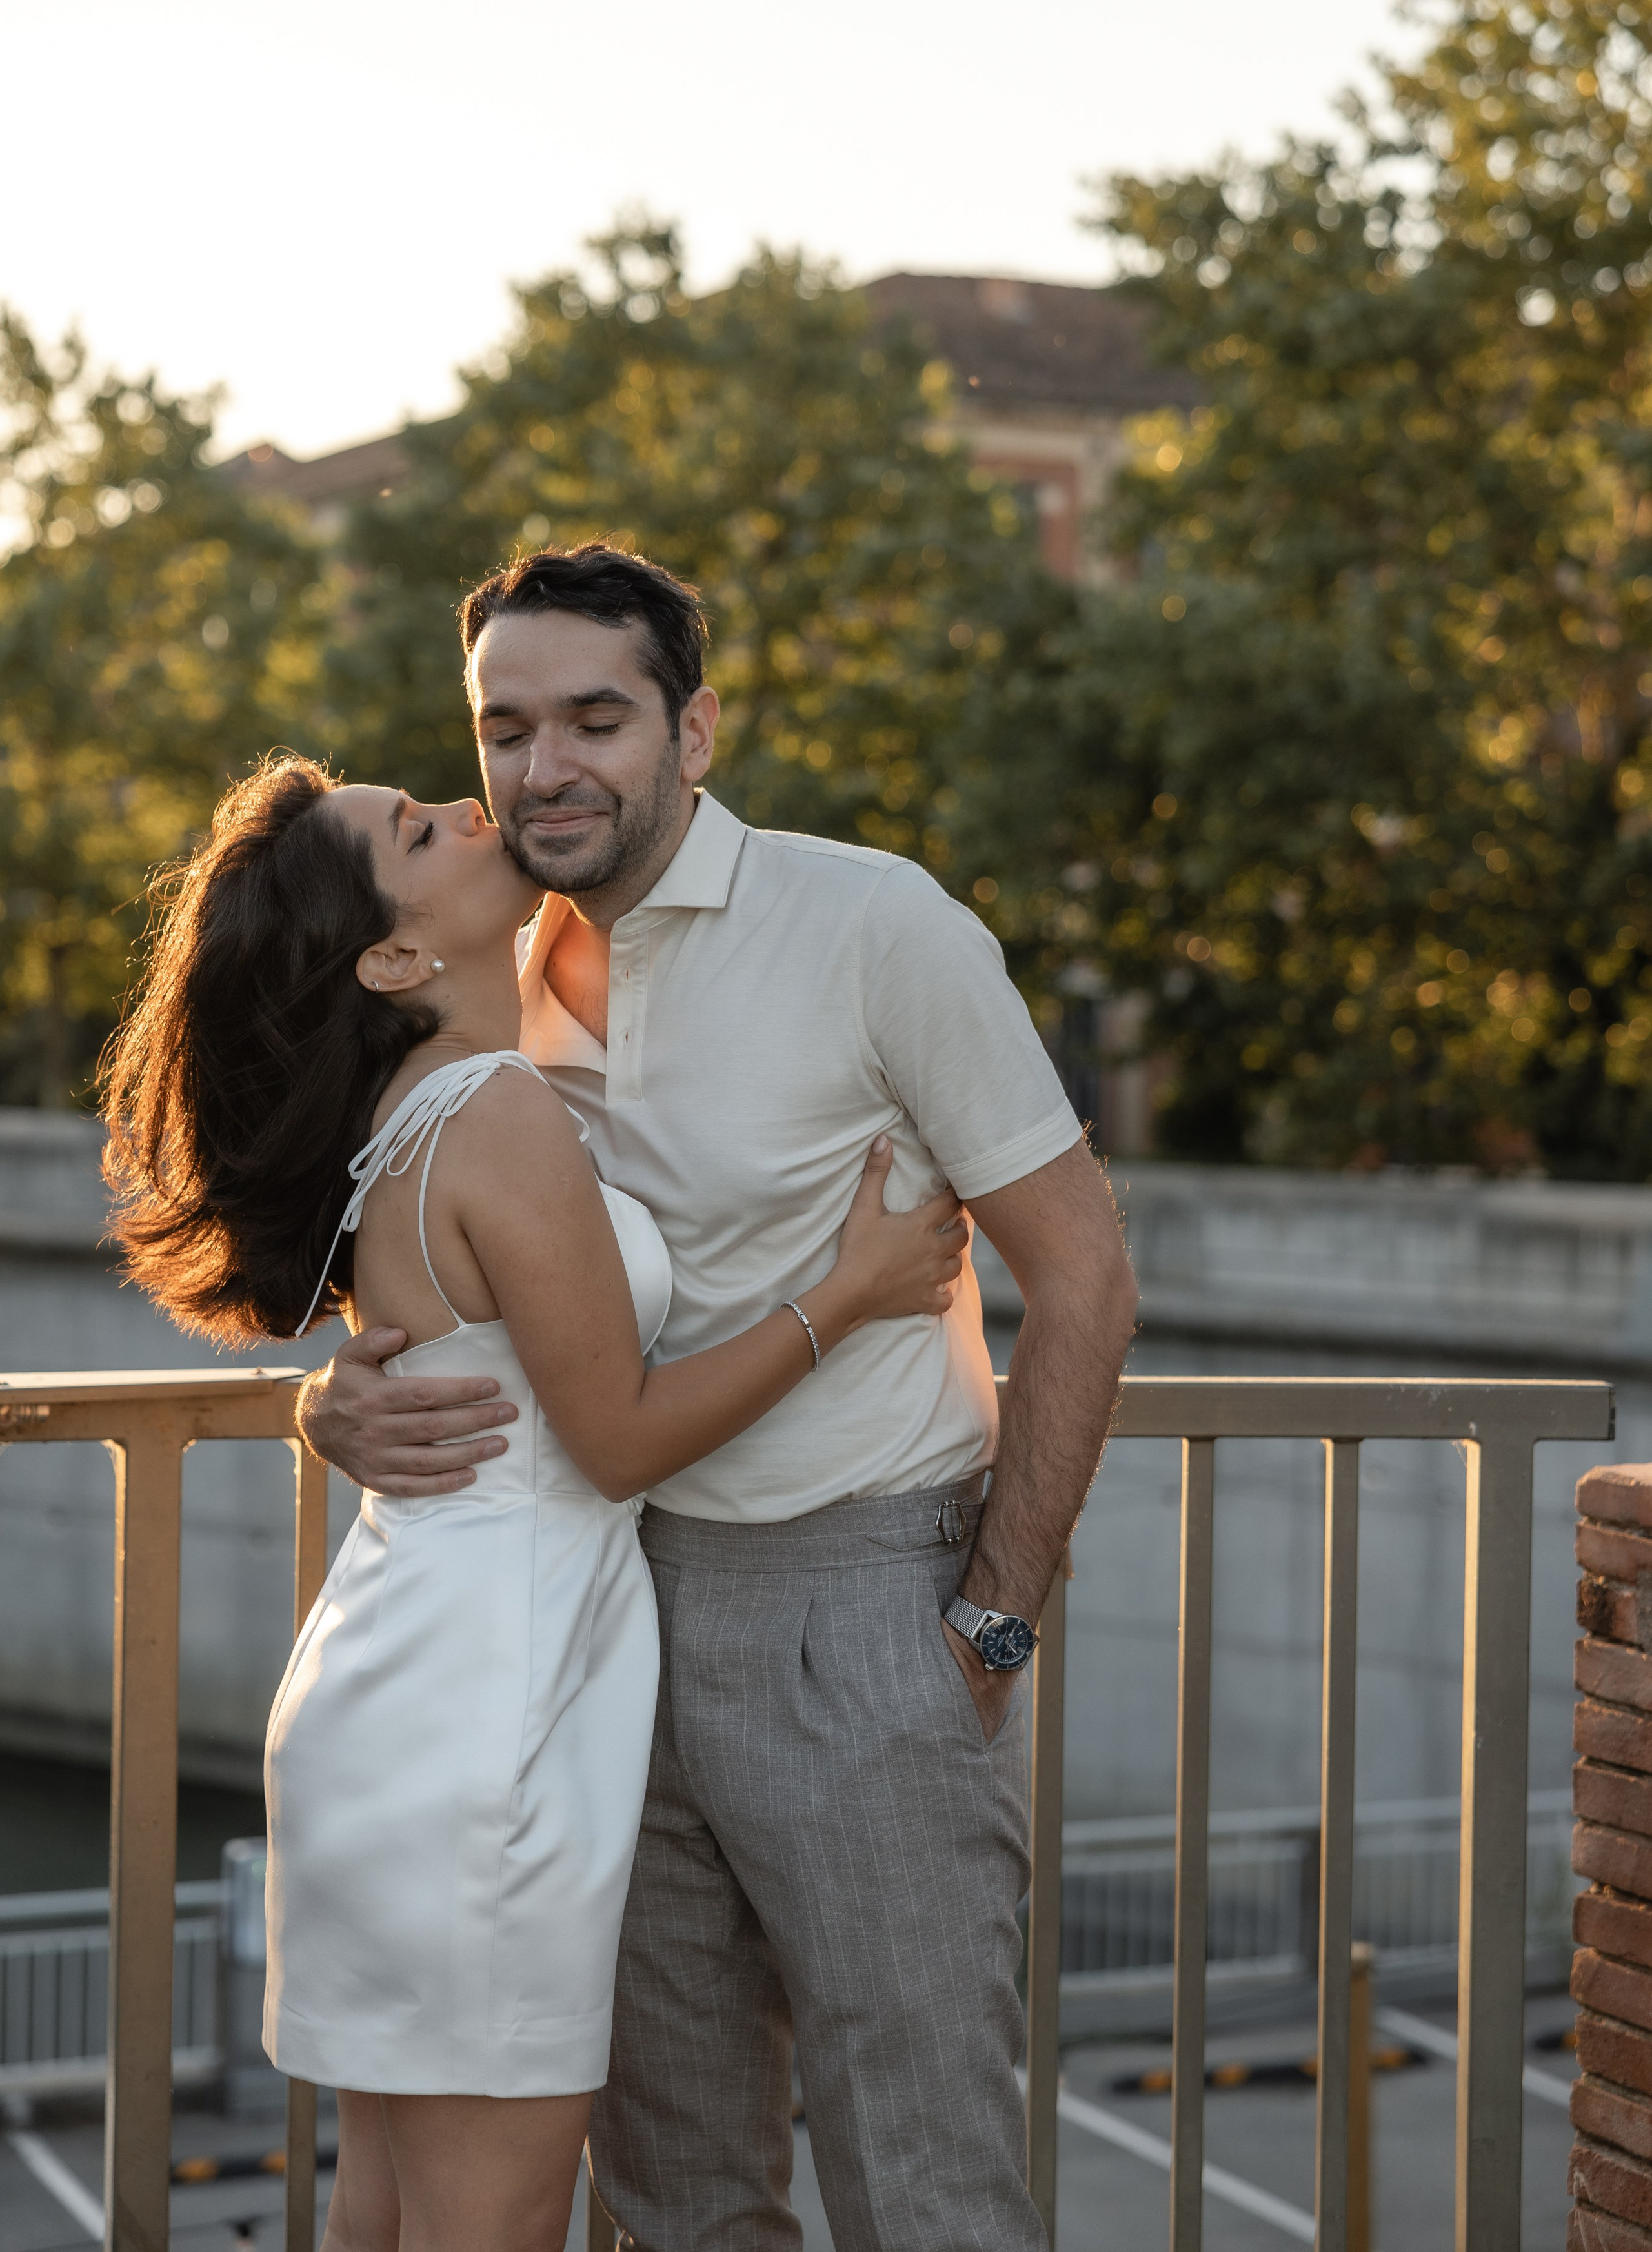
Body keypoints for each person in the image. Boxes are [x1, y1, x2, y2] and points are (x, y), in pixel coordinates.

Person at [302, 543, 1138, 2252]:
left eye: (596, 720)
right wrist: (328, 1408)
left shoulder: (874, 922)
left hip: (863, 1604)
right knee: (677, 2198)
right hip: (603, 1635)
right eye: (507, 727)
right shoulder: (487, 963)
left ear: (694, 731)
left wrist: (990, 1619)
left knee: (927, 2187)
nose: (545, 769)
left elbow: (1090, 1277)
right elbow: (441, 1284)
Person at [100, 751, 965, 2252]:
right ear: (392, 954)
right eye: (414, 833)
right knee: (485, 2221)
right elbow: (618, 1441)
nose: (460, 808)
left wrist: (329, 1404)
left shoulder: (425, 1107)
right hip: (488, 1710)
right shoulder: (491, 1108)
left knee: (385, 2204)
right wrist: (853, 1291)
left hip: (420, 1677)